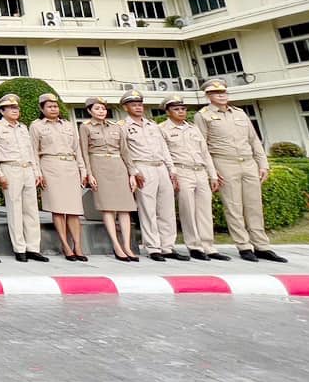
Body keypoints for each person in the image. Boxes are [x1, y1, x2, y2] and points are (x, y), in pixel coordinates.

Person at [196, 79, 287, 263]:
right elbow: (202, 146)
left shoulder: (239, 113)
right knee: (234, 207)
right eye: (216, 93)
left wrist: (263, 164)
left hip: (248, 162)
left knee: (254, 206)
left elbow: (254, 140)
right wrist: (212, 171)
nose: (221, 95)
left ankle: (262, 246)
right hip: (224, 162)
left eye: (223, 92)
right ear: (208, 96)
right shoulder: (203, 116)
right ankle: (244, 246)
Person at [119, 89, 184, 263]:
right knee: (148, 210)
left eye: (140, 104)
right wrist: (134, 171)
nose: (138, 107)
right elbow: (125, 152)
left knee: (167, 210)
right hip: (143, 167)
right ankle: (153, 247)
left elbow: (164, 148)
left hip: (161, 167)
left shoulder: (153, 125)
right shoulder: (123, 127)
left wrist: (172, 170)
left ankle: (168, 246)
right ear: (126, 108)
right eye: (134, 105)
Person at [160, 95, 226, 261]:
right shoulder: (162, 129)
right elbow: (164, 154)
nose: (181, 112)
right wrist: (172, 173)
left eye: (183, 109)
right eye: (176, 109)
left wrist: (212, 175)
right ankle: (194, 246)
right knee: (188, 210)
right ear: (168, 112)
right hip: (182, 171)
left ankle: (208, 246)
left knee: (205, 211)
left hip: (200, 171)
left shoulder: (193, 128)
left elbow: (205, 153)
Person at [0, 93, 47, 263]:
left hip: (27, 168)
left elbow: (30, 151)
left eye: (16, 107)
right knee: (15, 209)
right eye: (10, 108)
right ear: (2, 111)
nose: (15, 110)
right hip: (10, 168)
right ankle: (19, 248)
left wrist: (36, 171)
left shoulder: (23, 127)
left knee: (31, 209)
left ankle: (33, 248)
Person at [30, 92, 89, 261]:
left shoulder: (68, 125)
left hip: (70, 166)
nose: (53, 109)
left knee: (74, 210)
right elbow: (33, 151)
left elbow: (77, 149)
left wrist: (82, 170)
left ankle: (78, 245)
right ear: (42, 109)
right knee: (58, 209)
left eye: (55, 106)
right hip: (50, 166)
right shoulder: (37, 126)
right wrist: (37, 172)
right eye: (49, 106)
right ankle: (66, 246)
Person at [78, 97, 137, 262]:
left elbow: (125, 151)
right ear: (89, 111)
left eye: (103, 108)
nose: (101, 111)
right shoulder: (85, 127)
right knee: (108, 208)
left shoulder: (116, 127)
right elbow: (84, 152)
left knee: (125, 208)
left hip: (119, 167)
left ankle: (127, 246)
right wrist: (89, 174)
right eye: (97, 108)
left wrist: (132, 173)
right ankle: (116, 245)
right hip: (99, 167)